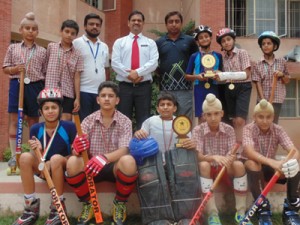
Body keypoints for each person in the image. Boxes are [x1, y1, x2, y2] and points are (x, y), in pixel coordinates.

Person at [65, 81, 138, 225]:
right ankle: (88, 205)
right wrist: (77, 148)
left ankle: (120, 204)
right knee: (72, 162)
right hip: (92, 167)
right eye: (103, 96)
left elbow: (125, 149)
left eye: (110, 96)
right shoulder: (88, 120)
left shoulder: (125, 121)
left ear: (117, 100)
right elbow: (75, 152)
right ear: (97, 99)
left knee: (129, 161)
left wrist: (104, 158)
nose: (106, 99)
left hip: (114, 167)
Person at [133, 91, 200, 225]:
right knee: (153, 184)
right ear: (157, 108)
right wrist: (138, 133)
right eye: (162, 104)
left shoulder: (182, 122)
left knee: (185, 181)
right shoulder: (150, 121)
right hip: (154, 165)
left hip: (176, 164)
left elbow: (189, 144)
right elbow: (140, 139)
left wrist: (192, 144)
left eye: (169, 104)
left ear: (174, 108)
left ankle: (185, 216)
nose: (165, 107)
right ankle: (157, 218)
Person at [12, 88, 77, 225]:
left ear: (60, 109)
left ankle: (57, 208)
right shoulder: (36, 129)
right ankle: (30, 207)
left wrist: (52, 161)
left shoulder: (70, 127)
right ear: (41, 112)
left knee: (55, 159)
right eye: (46, 108)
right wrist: (39, 152)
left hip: (62, 165)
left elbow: (74, 155)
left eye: (54, 107)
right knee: (24, 157)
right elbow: (38, 159)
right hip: (44, 170)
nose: (50, 111)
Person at [192, 93, 250, 225]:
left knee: (239, 165)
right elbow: (198, 155)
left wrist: (229, 158)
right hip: (208, 169)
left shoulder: (229, 129)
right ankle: (213, 214)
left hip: (225, 168)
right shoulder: (197, 130)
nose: (213, 118)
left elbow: (233, 154)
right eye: (209, 114)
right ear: (204, 116)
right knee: (204, 165)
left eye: (216, 113)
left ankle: (241, 214)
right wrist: (213, 157)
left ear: (222, 113)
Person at [243, 99, 300, 225]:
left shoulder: (278, 129)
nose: (265, 121)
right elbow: (249, 152)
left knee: (294, 165)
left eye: (268, 117)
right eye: (261, 117)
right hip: (253, 170)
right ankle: (262, 209)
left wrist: (289, 162)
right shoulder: (248, 129)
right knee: (252, 163)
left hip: (271, 169)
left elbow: (295, 151)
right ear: (254, 117)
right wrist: (272, 162)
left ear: (273, 117)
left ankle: (291, 210)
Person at [2, 12, 47, 171]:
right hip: (16, 84)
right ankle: (15, 157)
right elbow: (5, 68)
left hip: (35, 86)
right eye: (27, 28)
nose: (30, 31)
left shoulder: (42, 50)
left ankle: (34, 157)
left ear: (37, 32)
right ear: (21, 30)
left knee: (34, 122)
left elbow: (45, 72)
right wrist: (14, 69)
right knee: (15, 120)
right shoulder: (13, 47)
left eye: (33, 29)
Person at [111, 10, 158, 130]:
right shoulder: (120, 42)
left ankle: (141, 147)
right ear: (128, 23)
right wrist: (129, 75)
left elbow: (153, 63)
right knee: (123, 118)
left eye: (139, 20)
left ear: (143, 23)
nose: (136, 22)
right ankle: (124, 146)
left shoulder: (150, 43)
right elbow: (115, 63)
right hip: (124, 87)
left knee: (144, 119)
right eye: (133, 20)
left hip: (144, 87)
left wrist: (137, 72)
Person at [156, 11, 199, 120]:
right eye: (170, 22)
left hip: (185, 89)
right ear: (166, 24)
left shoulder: (190, 41)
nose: (174, 24)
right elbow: (154, 64)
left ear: (181, 23)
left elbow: (196, 61)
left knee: (185, 120)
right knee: (166, 120)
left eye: (177, 21)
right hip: (165, 89)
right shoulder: (159, 42)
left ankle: (184, 138)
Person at [216, 28, 252, 143]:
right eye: (223, 41)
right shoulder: (223, 57)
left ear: (233, 39)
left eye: (228, 39)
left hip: (243, 87)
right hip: (229, 88)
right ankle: (234, 147)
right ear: (221, 44)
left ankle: (244, 147)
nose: (226, 42)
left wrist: (224, 75)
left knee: (240, 120)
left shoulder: (243, 52)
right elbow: (221, 76)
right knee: (232, 120)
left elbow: (246, 74)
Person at [73, 13, 110, 121]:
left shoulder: (104, 46)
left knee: (98, 124)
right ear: (85, 26)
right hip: (83, 92)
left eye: (98, 25)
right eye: (91, 24)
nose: (95, 27)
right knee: (83, 124)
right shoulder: (76, 43)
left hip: (100, 93)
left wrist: (106, 90)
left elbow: (107, 69)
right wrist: (76, 96)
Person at [45, 19, 83, 121]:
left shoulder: (78, 54)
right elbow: (45, 68)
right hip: (51, 90)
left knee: (66, 121)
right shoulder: (51, 47)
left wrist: (77, 98)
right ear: (61, 31)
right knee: (51, 119)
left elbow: (77, 77)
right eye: (66, 31)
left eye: (72, 33)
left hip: (67, 92)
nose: (69, 35)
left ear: (76, 36)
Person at [185, 25, 223, 124]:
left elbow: (222, 73)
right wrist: (197, 76)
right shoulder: (194, 56)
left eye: (206, 36)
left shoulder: (218, 56)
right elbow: (187, 76)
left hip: (214, 87)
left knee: (215, 116)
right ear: (197, 41)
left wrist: (218, 74)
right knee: (202, 117)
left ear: (210, 38)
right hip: (199, 88)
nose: (204, 39)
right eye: (201, 38)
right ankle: (200, 139)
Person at [252, 31, 290, 124]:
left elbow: (287, 80)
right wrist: (263, 100)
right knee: (260, 123)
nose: (266, 45)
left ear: (275, 46)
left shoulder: (282, 62)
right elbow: (258, 83)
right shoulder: (258, 64)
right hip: (262, 101)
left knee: (273, 123)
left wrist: (282, 75)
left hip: (277, 100)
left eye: (269, 43)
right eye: (263, 44)